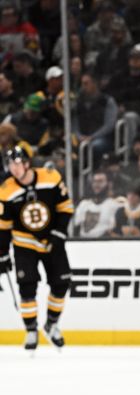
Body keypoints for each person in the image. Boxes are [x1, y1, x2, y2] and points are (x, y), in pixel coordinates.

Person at [0, 146, 73, 355]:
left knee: (61, 283)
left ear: (27, 163)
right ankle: (31, 330)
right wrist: (2, 253)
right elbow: (3, 227)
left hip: (51, 240)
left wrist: (60, 233)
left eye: (17, 163)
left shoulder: (50, 178)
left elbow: (65, 207)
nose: (14, 168)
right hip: (24, 243)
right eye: (10, 164)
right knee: (27, 286)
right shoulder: (6, 190)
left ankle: (51, 324)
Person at [72, 170, 120, 237]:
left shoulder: (115, 205)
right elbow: (76, 228)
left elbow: (112, 231)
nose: (96, 184)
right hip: (82, 244)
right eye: (94, 181)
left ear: (109, 184)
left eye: (100, 181)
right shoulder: (83, 204)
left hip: (103, 244)